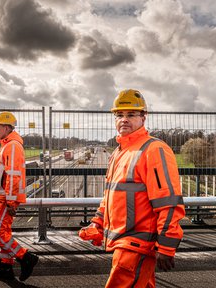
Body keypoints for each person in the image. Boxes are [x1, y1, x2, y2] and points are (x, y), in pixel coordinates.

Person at [79, 89, 185, 287]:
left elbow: (168, 202)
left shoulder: (154, 150)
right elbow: (111, 196)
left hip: (136, 246)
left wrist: (166, 245)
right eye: (119, 115)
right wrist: (97, 223)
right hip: (125, 242)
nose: (124, 120)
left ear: (144, 117)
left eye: (131, 114)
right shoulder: (119, 153)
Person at [0, 111, 39, 281]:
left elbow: (13, 175)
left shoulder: (12, 146)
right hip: (4, 197)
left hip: (6, 199)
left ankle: (26, 258)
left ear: (6, 127)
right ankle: (5, 267)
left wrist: (10, 201)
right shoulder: (8, 145)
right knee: (4, 232)